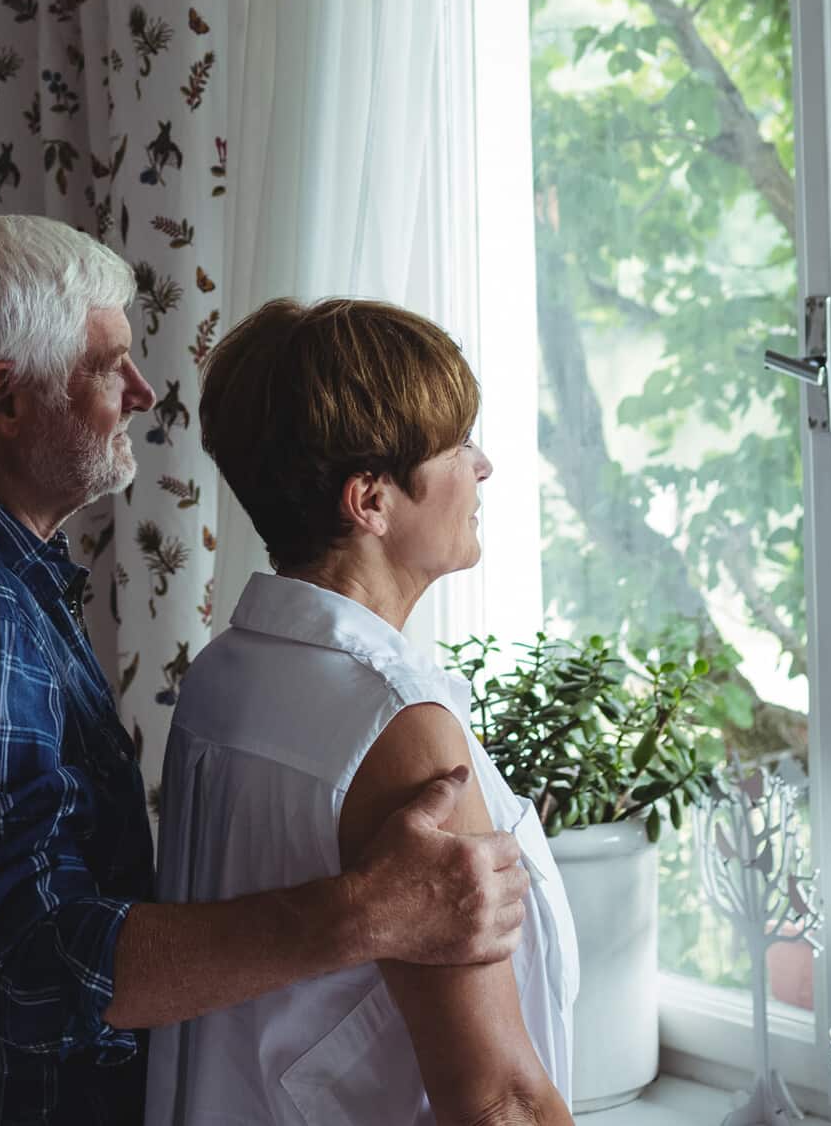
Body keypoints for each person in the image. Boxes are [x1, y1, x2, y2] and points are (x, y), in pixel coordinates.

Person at [0, 217, 531, 1125]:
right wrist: (368, 913)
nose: (141, 391)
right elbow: (36, 964)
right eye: (107, 366)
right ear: (6, 401)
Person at [147, 298, 579, 1126]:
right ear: (371, 502)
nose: (481, 465)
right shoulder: (397, 723)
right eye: (456, 445)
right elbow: (499, 1099)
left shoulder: (223, 675)